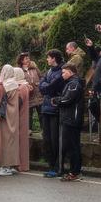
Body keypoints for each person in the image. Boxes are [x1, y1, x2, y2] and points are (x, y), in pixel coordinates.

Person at [51, 63, 84, 182]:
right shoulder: (71, 83)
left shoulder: (74, 84)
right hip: (69, 118)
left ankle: (74, 172)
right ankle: (74, 171)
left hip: (71, 119)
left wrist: (56, 100)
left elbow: (67, 99)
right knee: (72, 146)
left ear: (70, 72)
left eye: (64, 72)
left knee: (72, 146)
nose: (62, 74)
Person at [38, 50, 66, 178]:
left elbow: (50, 88)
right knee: (47, 139)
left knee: (55, 140)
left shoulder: (61, 72)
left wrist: (45, 85)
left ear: (54, 58)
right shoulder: (49, 71)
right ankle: (51, 165)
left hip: (55, 109)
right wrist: (45, 85)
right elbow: (42, 86)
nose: (47, 60)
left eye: (48, 58)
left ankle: (57, 167)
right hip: (46, 108)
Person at [0, 64, 21, 176]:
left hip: (6, 116)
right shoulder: (15, 83)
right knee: (12, 140)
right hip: (14, 114)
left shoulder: (6, 84)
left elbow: (2, 101)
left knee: (6, 141)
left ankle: (5, 166)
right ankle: (12, 165)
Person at [17, 53, 43, 131]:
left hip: (38, 95)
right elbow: (18, 82)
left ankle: (43, 130)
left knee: (41, 114)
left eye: (28, 58)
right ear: (21, 61)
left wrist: (40, 83)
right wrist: (26, 86)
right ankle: (29, 132)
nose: (28, 60)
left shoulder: (34, 68)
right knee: (28, 116)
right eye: (26, 59)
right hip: (28, 96)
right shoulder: (19, 71)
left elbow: (41, 77)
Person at [13, 67, 31, 172]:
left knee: (20, 141)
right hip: (24, 115)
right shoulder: (25, 85)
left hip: (19, 116)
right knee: (22, 140)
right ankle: (23, 164)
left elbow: (17, 104)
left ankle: (20, 164)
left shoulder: (20, 88)